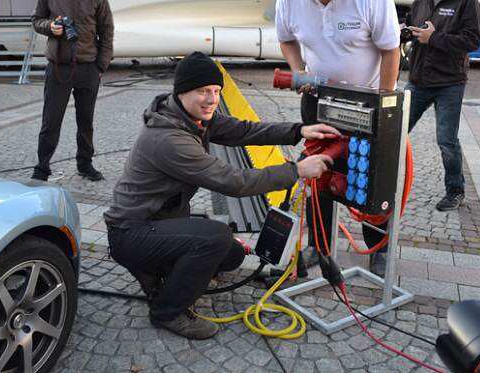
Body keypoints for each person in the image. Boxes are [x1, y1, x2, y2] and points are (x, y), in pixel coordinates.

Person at [104, 51, 340, 339]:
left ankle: (164, 273)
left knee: (232, 255)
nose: (212, 99)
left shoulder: (191, 117)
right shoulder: (169, 138)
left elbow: (244, 131)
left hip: (155, 222)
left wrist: (299, 130)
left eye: (216, 91)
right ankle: (167, 311)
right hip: (130, 232)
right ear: (181, 92)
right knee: (214, 238)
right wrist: (297, 170)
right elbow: (235, 182)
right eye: (203, 91)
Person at [275, 0, 401, 276]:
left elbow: (391, 51)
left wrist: (382, 106)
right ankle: (319, 246)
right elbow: (286, 40)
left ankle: (378, 246)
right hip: (318, 100)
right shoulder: (289, 2)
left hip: (366, 102)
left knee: (369, 176)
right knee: (317, 174)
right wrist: (299, 70)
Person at [404, 0, 480, 211]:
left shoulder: (466, 2)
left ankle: (455, 191)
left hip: (449, 82)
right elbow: (411, 22)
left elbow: (472, 40)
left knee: (447, 141)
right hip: (418, 79)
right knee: (395, 132)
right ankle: (383, 181)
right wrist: (407, 31)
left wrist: (434, 38)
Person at [30, 0, 114, 181]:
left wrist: (101, 66)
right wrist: (50, 26)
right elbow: (37, 20)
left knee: (85, 121)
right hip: (58, 66)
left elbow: (107, 30)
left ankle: (85, 164)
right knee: (51, 121)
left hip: (88, 66)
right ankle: (42, 167)